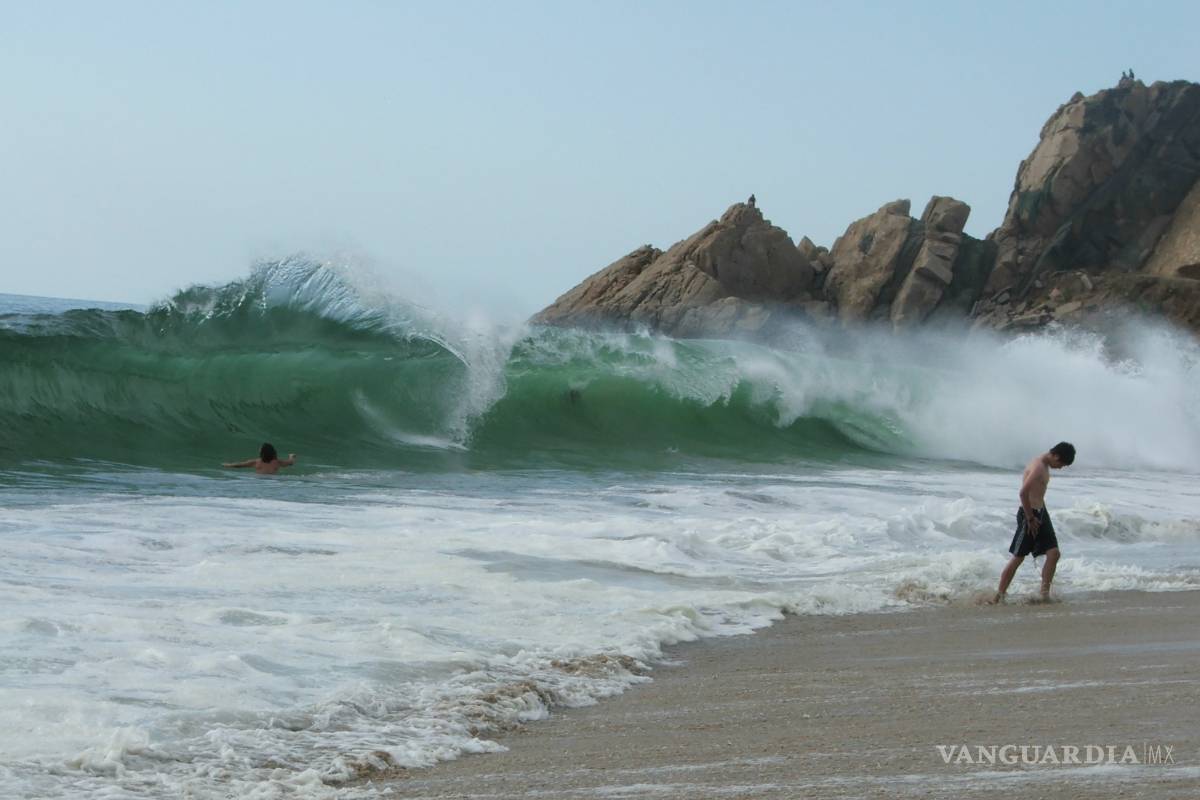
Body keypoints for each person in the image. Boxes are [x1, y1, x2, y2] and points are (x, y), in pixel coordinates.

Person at [993, 442, 1076, 603]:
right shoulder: (1038, 467)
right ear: (1056, 456)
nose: (1060, 468)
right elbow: (1023, 493)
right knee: (1018, 557)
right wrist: (1030, 518)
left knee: (1054, 554)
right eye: (1061, 464)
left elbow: (1037, 494)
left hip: (1041, 513)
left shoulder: (1044, 465)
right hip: (1029, 515)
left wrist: (1041, 514)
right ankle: (999, 596)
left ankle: (1044, 595)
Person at [222, 442, 297, 474]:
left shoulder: (256, 462)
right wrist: (291, 456)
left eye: (260, 449)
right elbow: (290, 462)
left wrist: (227, 465)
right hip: (272, 483)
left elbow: (239, 465)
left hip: (259, 482)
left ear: (262, 452)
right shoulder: (277, 462)